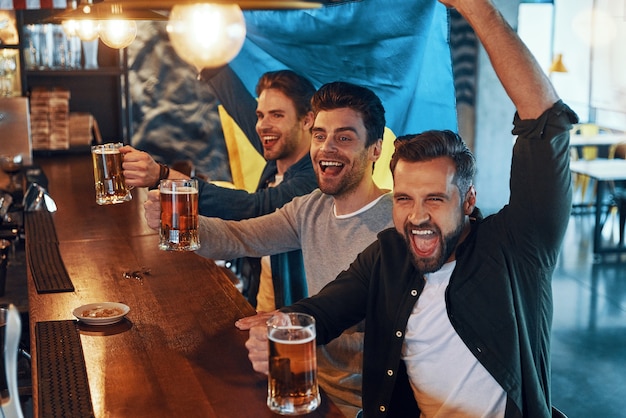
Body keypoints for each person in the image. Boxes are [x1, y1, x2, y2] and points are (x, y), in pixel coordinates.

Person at [239, 0, 579, 417]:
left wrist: (477, 9)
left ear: (468, 200)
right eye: (404, 198)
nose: (417, 216)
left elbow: (546, 122)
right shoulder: (389, 254)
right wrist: (281, 326)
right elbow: (325, 310)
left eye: (435, 198)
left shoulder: (516, 247)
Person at [145, 81, 394, 417]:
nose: (327, 148)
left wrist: (286, 322)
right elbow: (240, 237)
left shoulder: (397, 219)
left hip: (363, 403)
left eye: (344, 138)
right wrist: (180, 222)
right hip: (304, 383)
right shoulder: (310, 207)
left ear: (375, 148)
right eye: (319, 136)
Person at [124, 70, 319, 307]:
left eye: (277, 115)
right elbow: (237, 103)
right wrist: (211, 63)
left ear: (307, 120)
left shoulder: (315, 177)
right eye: (259, 115)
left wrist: (162, 176)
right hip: (263, 297)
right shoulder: (277, 155)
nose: (262, 126)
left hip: (300, 314)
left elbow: (256, 208)